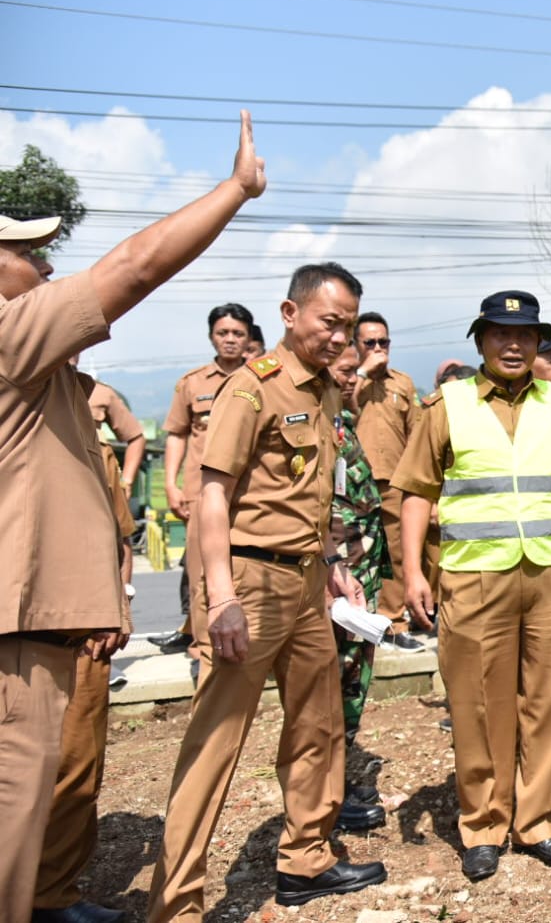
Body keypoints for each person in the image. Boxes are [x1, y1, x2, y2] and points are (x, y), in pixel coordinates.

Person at [0, 110, 266, 923]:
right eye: (26, 249)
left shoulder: (52, 378)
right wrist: (235, 190)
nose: (47, 264)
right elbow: (137, 266)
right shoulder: (8, 337)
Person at [147, 262, 387, 921]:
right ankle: (175, 905)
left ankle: (307, 858)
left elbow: (310, 492)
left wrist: (333, 560)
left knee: (319, 725)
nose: (339, 337)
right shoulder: (252, 391)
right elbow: (212, 494)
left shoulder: (325, 392)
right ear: (289, 313)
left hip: (309, 582)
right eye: (328, 322)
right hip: (249, 583)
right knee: (214, 746)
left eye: (347, 326)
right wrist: (220, 596)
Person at [394, 290, 551, 881]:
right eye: (499, 334)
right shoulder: (447, 405)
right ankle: (484, 826)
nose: (512, 344)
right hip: (474, 576)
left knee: (549, 701)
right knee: (478, 704)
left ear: (538, 342)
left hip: (548, 572)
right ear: (480, 341)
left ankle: (540, 821)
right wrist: (413, 570)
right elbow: (416, 492)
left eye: (524, 335)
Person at [32, 425, 137, 923]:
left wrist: (118, 602)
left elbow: (119, 537)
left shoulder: (89, 439)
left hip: (83, 630)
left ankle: (51, 894)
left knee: (77, 766)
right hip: (17, 625)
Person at [154, 301, 255, 656]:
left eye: (237, 334)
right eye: (223, 333)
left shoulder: (263, 379)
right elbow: (177, 434)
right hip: (202, 494)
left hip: (251, 497)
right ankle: (203, 648)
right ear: (211, 336)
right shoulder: (192, 383)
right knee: (200, 574)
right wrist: (171, 484)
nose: (230, 340)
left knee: (249, 573)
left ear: (249, 338)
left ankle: (254, 646)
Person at [327, 343, 395, 826]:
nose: (352, 377)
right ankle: (328, 796)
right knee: (336, 685)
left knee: (351, 682)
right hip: (337, 574)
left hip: (359, 572)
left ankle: (335, 784)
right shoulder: (319, 426)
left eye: (356, 371)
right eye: (344, 370)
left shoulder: (342, 422)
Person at [351, 310, 424, 650]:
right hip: (352, 485)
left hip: (395, 482)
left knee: (395, 554)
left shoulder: (402, 383)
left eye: (384, 341)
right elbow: (340, 411)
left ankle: (394, 623)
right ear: (356, 345)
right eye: (370, 342)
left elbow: (417, 435)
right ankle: (354, 625)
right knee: (353, 554)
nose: (379, 347)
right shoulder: (345, 380)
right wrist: (362, 372)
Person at [84, 371, 147, 491]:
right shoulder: (39, 387)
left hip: (93, 484)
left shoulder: (100, 392)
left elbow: (136, 437)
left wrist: (126, 482)